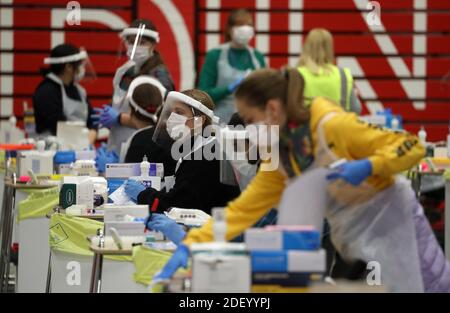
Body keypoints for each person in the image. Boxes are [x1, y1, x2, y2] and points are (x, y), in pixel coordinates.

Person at [154, 68, 450, 292]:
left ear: (272, 109)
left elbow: (413, 146)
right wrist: (193, 244)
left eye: (250, 119)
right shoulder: (281, 155)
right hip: (354, 239)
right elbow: (245, 209)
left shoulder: (331, 124)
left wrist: (371, 165)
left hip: (397, 229)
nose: (247, 129)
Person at [123, 89, 241, 215]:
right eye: (172, 112)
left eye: (179, 112)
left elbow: (178, 205)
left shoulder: (204, 157)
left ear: (199, 121)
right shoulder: (197, 149)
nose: (172, 118)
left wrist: (143, 194)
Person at [94, 19, 175, 154]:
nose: (135, 47)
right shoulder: (126, 71)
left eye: (142, 43)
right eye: (131, 42)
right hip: (118, 144)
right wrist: (108, 114)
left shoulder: (160, 76)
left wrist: (120, 118)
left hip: (144, 147)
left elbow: (162, 120)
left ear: (153, 44)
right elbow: (119, 100)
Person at [95, 75, 177, 175]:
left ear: (130, 107)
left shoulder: (139, 140)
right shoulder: (166, 134)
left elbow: (130, 183)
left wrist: (108, 170)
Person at [198, 9, 265, 124]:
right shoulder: (215, 55)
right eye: (240, 24)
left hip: (252, 124)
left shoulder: (257, 57)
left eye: (249, 25)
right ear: (229, 29)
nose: (245, 28)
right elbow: (203, 94)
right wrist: (228, 88)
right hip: (220, 123)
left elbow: (266, 93)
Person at [33, 44, 97, 143]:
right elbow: (59, 127)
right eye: (79, 65)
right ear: (68, 67)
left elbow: (92, 120)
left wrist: (88, 142)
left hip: (80, 147)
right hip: (52, 151)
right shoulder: (46, 91)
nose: (81, 69)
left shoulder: (79, 91)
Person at [297, 28, 361, 114]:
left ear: (306, 46)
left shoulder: (296, 74)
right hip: (337, 126)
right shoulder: (343, 75)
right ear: (329, 48)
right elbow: (356, 109)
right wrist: (354, 96)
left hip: (306, 126)